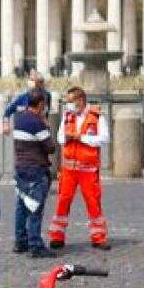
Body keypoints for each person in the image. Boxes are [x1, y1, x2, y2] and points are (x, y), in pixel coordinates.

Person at [49, 86, 111, 250]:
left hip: (88, 169)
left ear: (80, 100)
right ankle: (57, 237)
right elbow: (60, 138)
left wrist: (81, 137)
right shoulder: (67, 116)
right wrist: (67, 138)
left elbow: (104, 139)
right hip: (69, 168)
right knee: (63, 201)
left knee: (93, 202)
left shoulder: (96, 116)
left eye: (70, 101)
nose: (68, 105)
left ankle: (99, 237)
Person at [11, 88, 55, 257]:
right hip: (36, 168)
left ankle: (20, 241)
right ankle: (35, 245)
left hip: (20, 167)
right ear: (41, 104)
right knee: (35, 207)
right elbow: (50, 147)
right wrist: (46, 126)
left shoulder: (19, 118)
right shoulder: (37, 122)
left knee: (22, 205)